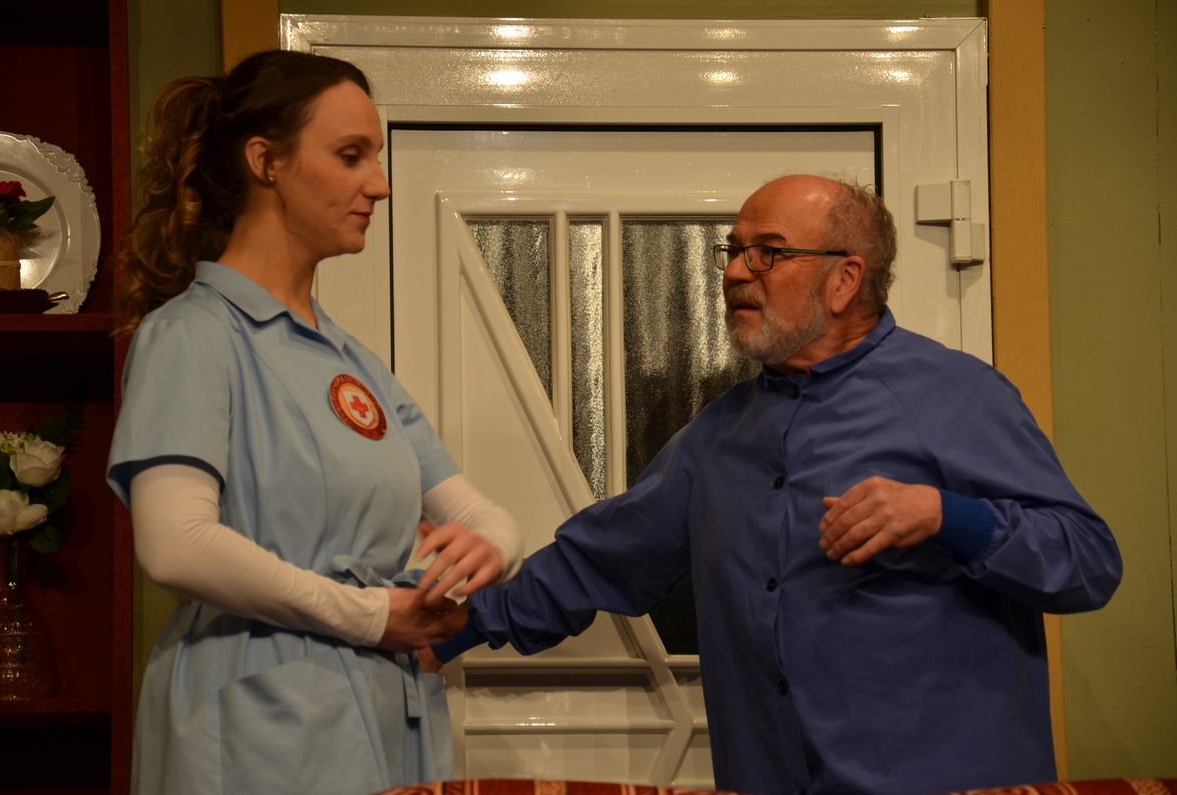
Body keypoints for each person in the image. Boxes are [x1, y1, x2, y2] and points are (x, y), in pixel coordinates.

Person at [429, 175, 1123, 795]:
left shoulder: (959, 394)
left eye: (767, 251)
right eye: (733, 250)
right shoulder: (717, 435)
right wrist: (450, 627)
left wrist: (946, 516)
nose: (735, 272)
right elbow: (600, 560)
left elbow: (1088, 561)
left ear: (845, 279)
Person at [106, 50, 522, 795]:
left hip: (383, 706)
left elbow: (483, 515)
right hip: (257, 714)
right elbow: (176, 545)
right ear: (266, 161)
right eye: (351, 155)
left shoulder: (354, 362)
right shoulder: (192, 336)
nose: (380, 184)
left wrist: (490, 546)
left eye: (376, 158)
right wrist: (370, 616)